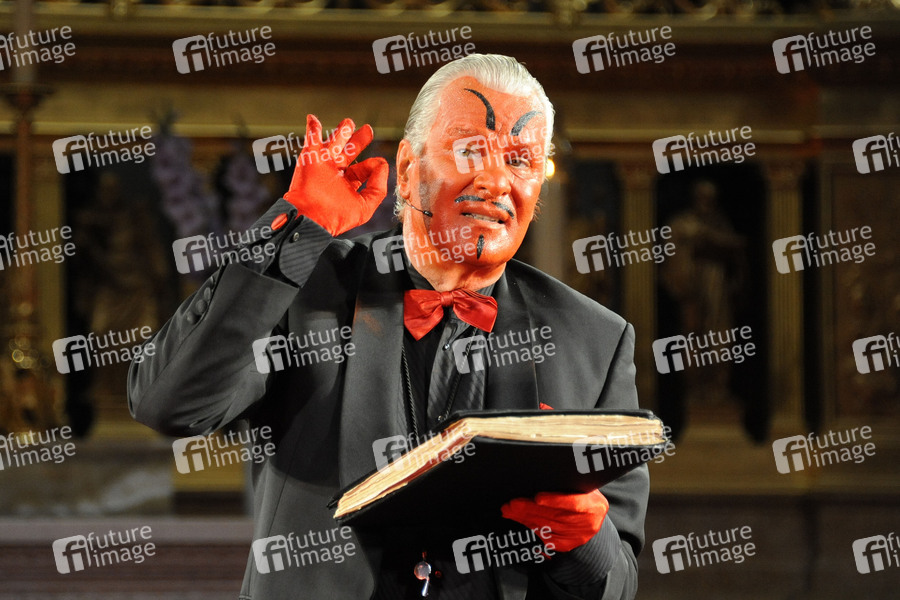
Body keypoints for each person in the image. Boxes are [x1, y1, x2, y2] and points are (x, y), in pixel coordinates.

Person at [128, 54, 648, 599]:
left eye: (520, 160)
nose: (496, 180)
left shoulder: (596, 340)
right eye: (469, 149)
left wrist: (584, 540)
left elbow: (616, 585)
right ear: (408, 167)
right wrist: (293, 225)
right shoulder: (301, 289)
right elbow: (169, 403)